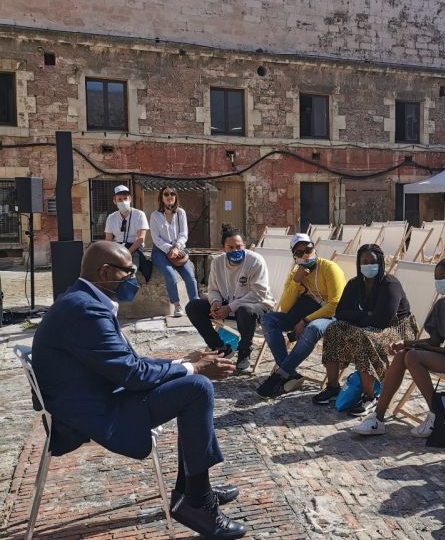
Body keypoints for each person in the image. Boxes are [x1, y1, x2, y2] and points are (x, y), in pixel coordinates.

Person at [31, 241, 246, 539]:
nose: (134, 278)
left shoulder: (83, 300)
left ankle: (194, 490)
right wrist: (193, 369)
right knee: (196, 387)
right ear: (105, 271)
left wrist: (183, 361)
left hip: (96, 396)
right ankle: (196, 501)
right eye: (128, 272)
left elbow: (127, 363)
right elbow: (132, 374)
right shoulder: (85, 310)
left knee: (191, 383)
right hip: (91, 413)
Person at [352, 257, 445, 437]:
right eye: (436, 277)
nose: (439, 282)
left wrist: (425, 351)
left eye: (444, 277)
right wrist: (406, 344)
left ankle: (437, 414)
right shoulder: (442, 305)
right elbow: (434, 341)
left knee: (413, 357)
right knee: (403, 355)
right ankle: (378, 417)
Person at [313, 244, 418, 416]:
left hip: (397, 329)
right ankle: (332, 387)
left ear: (380, 262)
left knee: (363, 337)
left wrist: (358, 316)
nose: (368, 265)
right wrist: (365, 314)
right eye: (364, 262)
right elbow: (340, 313)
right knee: (333, 329)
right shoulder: (355, 284)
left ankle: (369, 396)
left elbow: (382, 320)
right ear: (359, 263)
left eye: (372, 261)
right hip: (367, 326)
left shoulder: (389, 284)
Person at [257, 233, 346, 399]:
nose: (305, 254)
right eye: (299, 252)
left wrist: (305, 321)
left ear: (314, 249)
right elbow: (285, 306)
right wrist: (297, 281)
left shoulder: (329, 267)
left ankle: (280, 374)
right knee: (268, 319)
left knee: (311, 329)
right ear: (294, 256)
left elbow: (335, 304)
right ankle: (290, 373)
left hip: (331, 318)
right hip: (303, 314)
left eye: (308, 249)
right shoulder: (295, 274)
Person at [186, 226, 275, 372]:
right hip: (229, 304)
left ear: (244, 246)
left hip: (258, 306)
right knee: (193, 306)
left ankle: (244, 353)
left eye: (238, 246)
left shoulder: (255, 261)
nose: (235, 250)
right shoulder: (217, 262)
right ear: (223, 248)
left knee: (244, 309)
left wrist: (229, 308)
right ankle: (220, 347)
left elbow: (259, 293)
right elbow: (213, 289)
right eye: (230, 247)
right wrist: (216, 303)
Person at [149, 186, 199, 317]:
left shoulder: (180, 213)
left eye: (172, 194)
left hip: (179, 249)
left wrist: (176, 247)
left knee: (190, 276)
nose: (169, 196)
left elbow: (184, 233)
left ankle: (196, 304)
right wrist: (169, 249)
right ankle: (177, 305)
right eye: (166, 194)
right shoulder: (155, 215)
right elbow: (156, 238)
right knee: (170, 275)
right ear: (161, 197)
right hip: (160, 251)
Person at [104, 185, 149, 272]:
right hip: (117, 248)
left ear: (130, 199)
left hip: (134, 248)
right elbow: (108, 240)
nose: (123, 201)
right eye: (119, 199)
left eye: (125, 198)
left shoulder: (139, 214)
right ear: (114, 201)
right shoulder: (111, 217)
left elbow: (141, 238)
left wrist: (128, 252)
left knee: (130, 271)